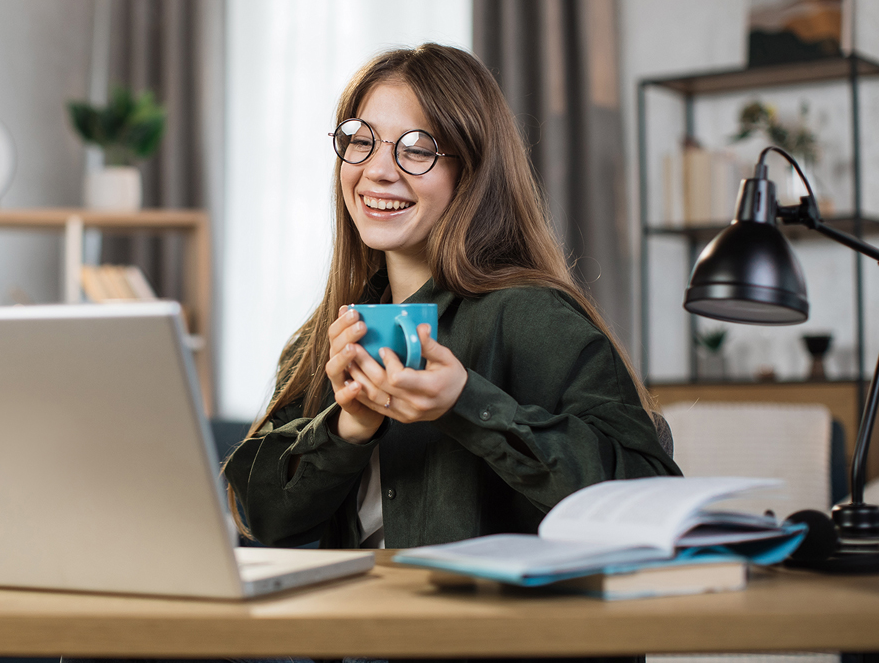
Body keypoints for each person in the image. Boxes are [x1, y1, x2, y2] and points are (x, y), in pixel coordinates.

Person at [223, 43, 681, 553]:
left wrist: (467, 403)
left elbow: (649, 495)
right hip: (352, 624)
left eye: (417, 149)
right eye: (361, 141)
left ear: (473, 171)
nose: (377, 170)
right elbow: (255, 518)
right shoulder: (323, 337)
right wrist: (347, 427)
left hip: (478, 629)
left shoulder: (531, 315)